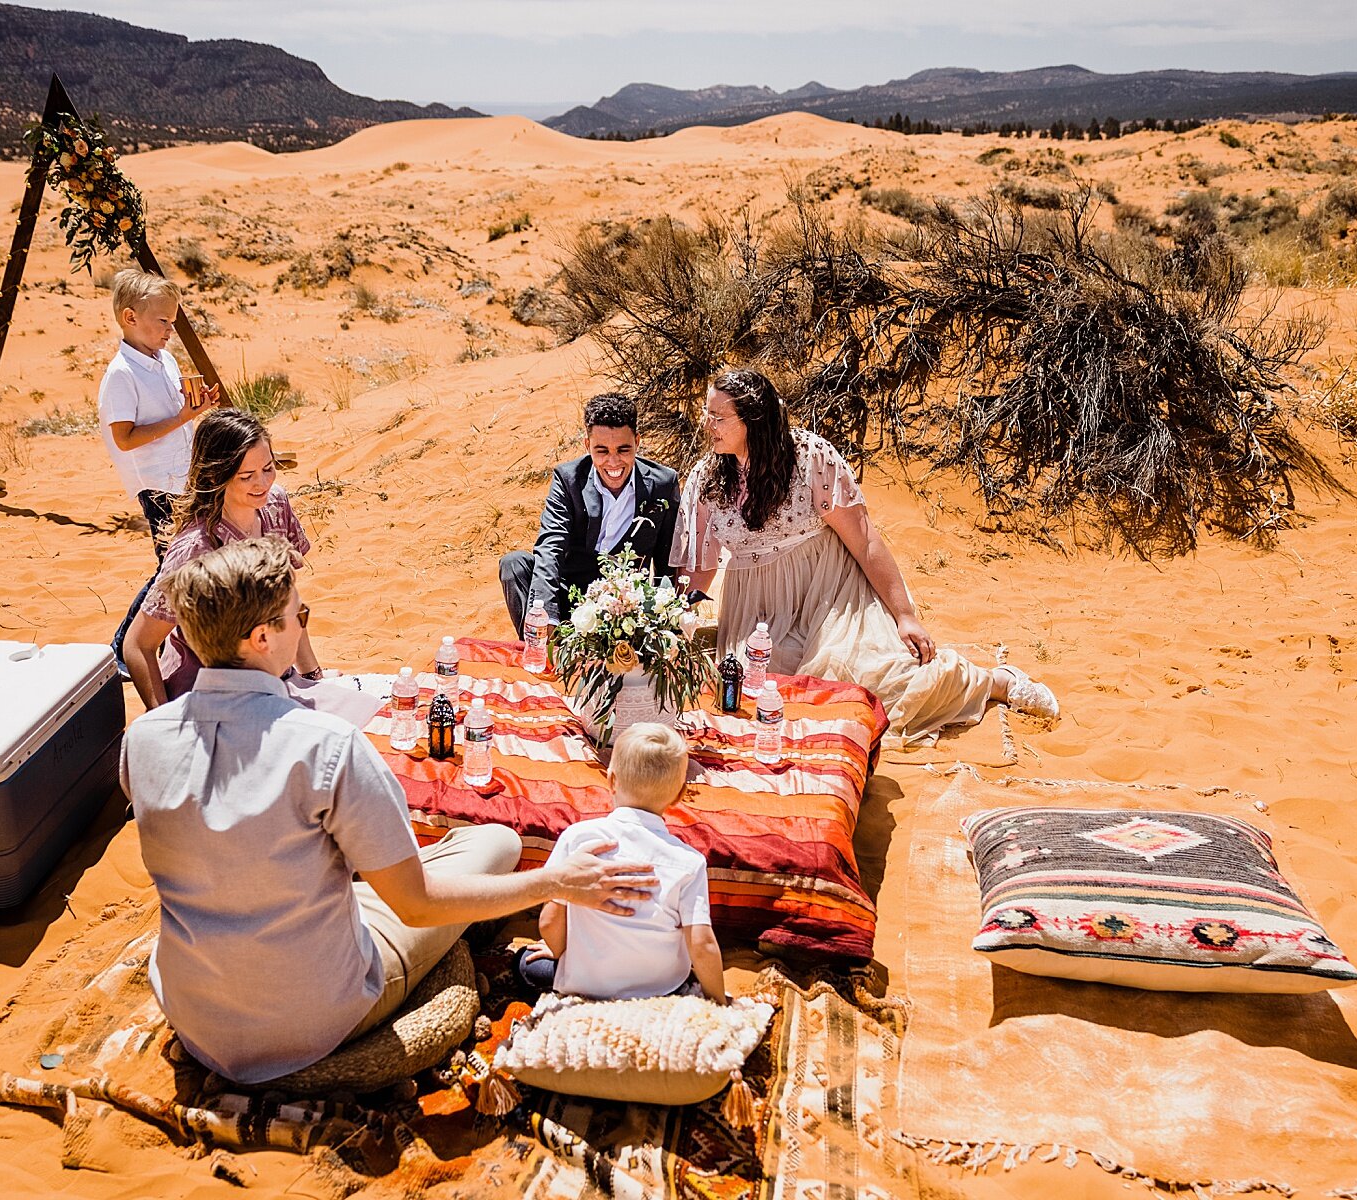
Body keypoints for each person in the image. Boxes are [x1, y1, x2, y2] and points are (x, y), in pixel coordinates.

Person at [121, 536, 657, 1084]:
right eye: (297, 616)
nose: (303, 626)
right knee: (498, 844)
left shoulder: (141, 739)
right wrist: (556, 883)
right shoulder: (325, 745)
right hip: (312, 1012)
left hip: (193, 1008)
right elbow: (417, 906)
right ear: (262, 637)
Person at [671, 367, 1058, 746]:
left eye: (718, 417)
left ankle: (995, 681)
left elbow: (864, 539)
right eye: (708, 413)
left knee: (868, 677)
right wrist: (673, 621)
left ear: (754, 420)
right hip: (758, 612)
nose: (707, 425)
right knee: (770, 689)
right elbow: (700, 566)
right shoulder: (707, 478)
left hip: (829, 591)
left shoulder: (810, 457)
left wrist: (904, 614)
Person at [514, 722, 727, 1003]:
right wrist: (720, 1003)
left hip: (585, 983)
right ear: (678, 795)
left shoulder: (578, 838)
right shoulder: (689, 862)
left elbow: (550, 918)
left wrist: (556, 949)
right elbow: (701, 944)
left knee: (524, 964)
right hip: (662, 990)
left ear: (611, 780)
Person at [122, 408, 320, 708]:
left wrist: (312, 677)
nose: (262, 483)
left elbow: (285, 602)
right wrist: (163, 722)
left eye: (268, 468)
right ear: (218, 474)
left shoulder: (275, 504)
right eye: (247, 476)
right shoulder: (195, 548)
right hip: (204, 698)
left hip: (269, 685)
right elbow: (138, 645)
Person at [499, 392, 680, 638]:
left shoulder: (663, 483)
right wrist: (546, 614)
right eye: (602, 450)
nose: (613, 461)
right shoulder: (568, 478)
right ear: (587, 446)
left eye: (624, 449)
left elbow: (666, 560)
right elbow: (551, 546)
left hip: (622, 605)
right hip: (568, 593)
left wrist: (666, 623)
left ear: (637, 442)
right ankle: (539, 644)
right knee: (514, 564)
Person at [97, 268, 215, 558]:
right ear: (130, 318)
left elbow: (174, 412)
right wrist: (182, 418)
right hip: (157, 487)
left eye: (173, 322)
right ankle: (144, 607)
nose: (170, 330)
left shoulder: (166, 360)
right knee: (172, 567)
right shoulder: (122, 373)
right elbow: (124, 440)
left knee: (195, 559)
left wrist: (196, 407)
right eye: (163, 321)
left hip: (184, 476)